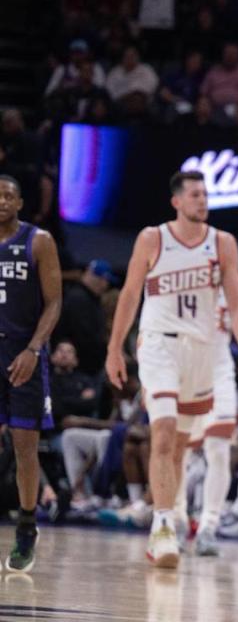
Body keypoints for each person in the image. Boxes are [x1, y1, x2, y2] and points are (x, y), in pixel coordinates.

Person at [105, 171, 238, 569]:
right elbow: (130, 293)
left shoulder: (223, 243)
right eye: (194, 195)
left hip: (203, 351)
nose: (202, 201)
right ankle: (162, 527)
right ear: (176, 201)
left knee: (180, 447)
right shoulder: (152, 238)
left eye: (205, 195)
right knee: (165, 430)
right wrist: (115, 347)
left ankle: (172, 519)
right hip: (159, 345)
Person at [179, 288, 238, 556]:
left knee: (219, 454)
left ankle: (209, 527)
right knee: (182, 456)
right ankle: (176, 520)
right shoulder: (175, 280)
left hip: (220, 380)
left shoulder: (227, 287)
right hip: (184, 373)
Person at [0, 175, 61, 572]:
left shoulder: (38, 241)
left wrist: (33, 348)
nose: (1, 201)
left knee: (25, 446)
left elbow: (54, 303)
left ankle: (26, 525)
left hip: (23, 352)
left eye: (8, 195)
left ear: (21, 202)